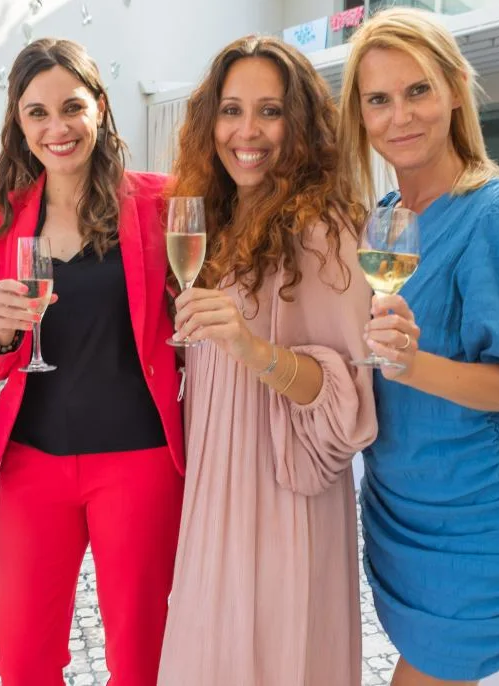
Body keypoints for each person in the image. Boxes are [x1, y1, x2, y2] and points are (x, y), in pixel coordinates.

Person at [156, 35, 377, 686]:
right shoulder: (217, 222)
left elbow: (347, 400)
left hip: (283, 497)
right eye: (230, 110)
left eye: (270, 111)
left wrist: (252, 350)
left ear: (301, 123)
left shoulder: (325, 230)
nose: (246, 131)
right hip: (213, 489)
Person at [0, 37, 185, 686]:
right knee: (24, 661)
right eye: (36, 113)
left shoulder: (159, 202)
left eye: (71, 107)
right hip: (33, 465)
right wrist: (3, 334)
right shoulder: (3, 219)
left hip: (139, 463)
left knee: (138, 657)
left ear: (101, 107)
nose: (56, 127)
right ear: (18, 122)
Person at [337, 6, 499, 686]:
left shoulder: (496, 211)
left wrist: (412, 364)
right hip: (397, 506)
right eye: (380, 100)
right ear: (360, 117)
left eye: (418, 89)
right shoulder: (385, 218)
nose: (402, 115)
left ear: (454, 89)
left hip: (471, 512)